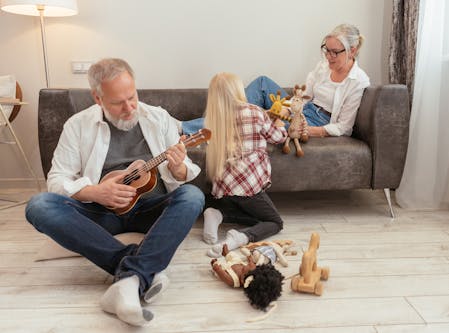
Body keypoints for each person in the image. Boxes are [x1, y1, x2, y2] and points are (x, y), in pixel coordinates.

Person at [24, 58, 205, 326]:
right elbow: (56, 180)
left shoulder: (158, 118)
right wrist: (94, 192)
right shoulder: (77, 125)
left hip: (149, 210)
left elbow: (184, 174)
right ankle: (139, 272)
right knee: (39, 205)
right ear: (98, 98)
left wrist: (178, 168)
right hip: (102, 212)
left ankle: (128, 281)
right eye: (118, 103)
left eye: (132, 97)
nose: (129, 108)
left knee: (193, 197)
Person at [181, 23, 370, 138]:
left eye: (334, 52)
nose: (328, 56)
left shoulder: (358, 81)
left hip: (317, 121)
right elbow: (304, 97)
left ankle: (184, 128)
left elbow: (344, 127)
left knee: (251, 120)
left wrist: (309, 129)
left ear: (352, 50)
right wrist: (284, 107)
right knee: (262, 83)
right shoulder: (323, 67)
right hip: (305, 108)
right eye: (326, 50)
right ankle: (222, 120)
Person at [200, 72, 287, 258]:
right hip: (248, 188)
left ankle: (218, 214)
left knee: (254, 216)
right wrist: (279, 123)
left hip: (223, 187)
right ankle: (240, 238)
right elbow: (278, 138)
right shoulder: (255, 112)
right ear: (238, 90)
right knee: (274, 222)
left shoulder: (213, 120)